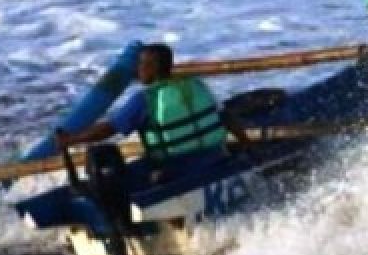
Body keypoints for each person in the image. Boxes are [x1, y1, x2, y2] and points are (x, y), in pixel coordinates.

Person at [57, 43, 250, 183]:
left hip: (174, 168)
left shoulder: (145, 100)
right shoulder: (197, 85)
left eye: (141, 64)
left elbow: (107, 130)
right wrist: (246, 145)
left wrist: (71, 140)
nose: (137, 70)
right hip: (214, 156)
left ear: (154, 67)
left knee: (112, 178)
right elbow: (226, 116)